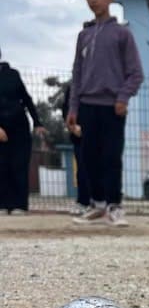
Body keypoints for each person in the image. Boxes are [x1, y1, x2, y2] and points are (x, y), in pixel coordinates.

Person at [67, 0, 143, 227]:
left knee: (111, 157)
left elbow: (136, 73)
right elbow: (77, 73)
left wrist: (123, 97)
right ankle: (97, 204)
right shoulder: (84, 35)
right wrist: (73, 108)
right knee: (89, 158)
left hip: (112, 107)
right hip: (87, 105)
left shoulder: (122, 34)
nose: (93, 0)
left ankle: (114, 206)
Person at [0, 49, 46, 214]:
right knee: (2, 166)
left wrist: (37, 122)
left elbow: (26, 99)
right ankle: (3, 204)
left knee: (19, 164)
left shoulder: (12, 75)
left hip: (19, 125)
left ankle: (19, 205)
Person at [61, 81, 91, 215]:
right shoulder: (73, 87)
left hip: (98, 134)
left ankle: (102, 202)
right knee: (82, 169)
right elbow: (66, 110)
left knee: (101, 169)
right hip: (79, 136)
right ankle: (83, 202)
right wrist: (73, 127)